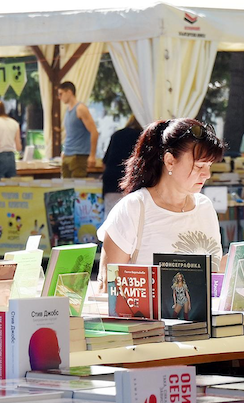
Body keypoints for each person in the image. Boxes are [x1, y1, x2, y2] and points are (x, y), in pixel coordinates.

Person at [98, 118, 225, 272]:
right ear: (170, 161)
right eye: (199, 166)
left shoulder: (205, 207)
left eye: (209, 165)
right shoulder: (133, 208)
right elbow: (107, 287)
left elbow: (214, 275)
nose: (207, 174)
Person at [57, 81, 99, 178]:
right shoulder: (67, 110)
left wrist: (92, 155)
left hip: (79, 155)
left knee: (77, 188)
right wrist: (64, 151)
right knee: (66, 188)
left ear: (69, 92)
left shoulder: (80, 109)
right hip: (67, 153)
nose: (59, 97)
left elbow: (94, 132)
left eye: (61, 94)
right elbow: (70, 133)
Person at [102, 115, 143, 211]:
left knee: (110, 215)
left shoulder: (117, 134)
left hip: (111, 180)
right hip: (131, 181)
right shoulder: (142, 136)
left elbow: (104, 162)